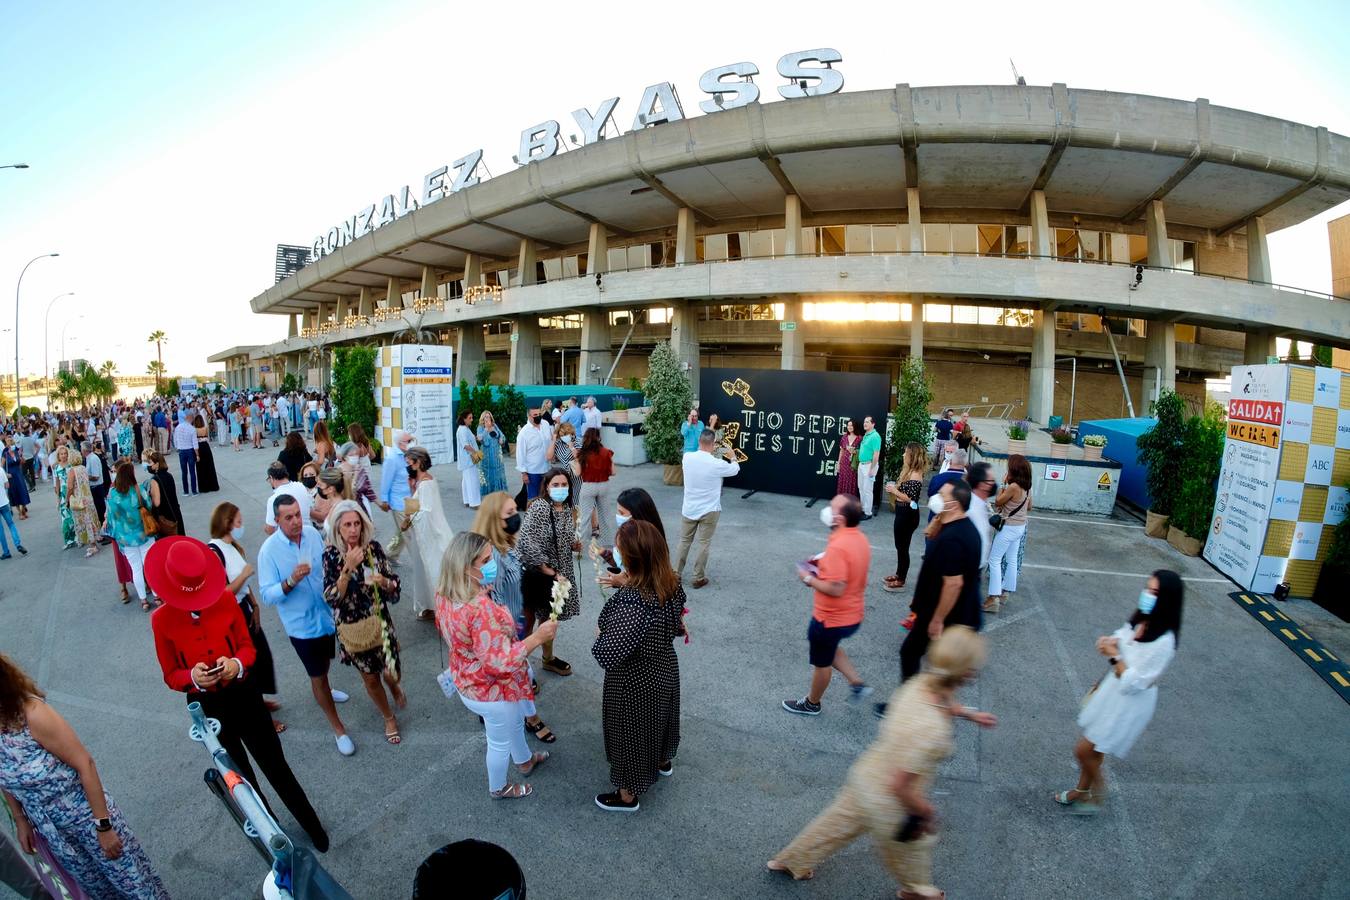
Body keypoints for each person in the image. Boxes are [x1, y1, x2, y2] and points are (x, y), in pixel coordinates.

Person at [769, 626, 997, 898]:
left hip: (868, 776)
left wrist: (970, 715)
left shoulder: (920, 684)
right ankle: (920, 892)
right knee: (914, 854)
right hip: (892, 803)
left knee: (832, 826)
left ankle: (790, 862)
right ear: (967, 674)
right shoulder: (932, 729)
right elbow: (900, 787)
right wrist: (926, 812)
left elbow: (944, 702)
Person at [147, 536, 330, 851]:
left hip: (244, 695)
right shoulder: (160, 620)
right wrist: (192, 676)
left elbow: (247, 648)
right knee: (242, 780)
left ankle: (313, 827)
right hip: (208, 708)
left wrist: (235, 664)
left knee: (276, 766)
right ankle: (277, 840)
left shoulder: (225, 600)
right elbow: (170, 675)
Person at [0, 654, 170, 899]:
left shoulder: (33, 714)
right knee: (99, 893)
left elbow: (85, 764)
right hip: (54, 833)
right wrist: (20, 819)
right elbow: (5, 775)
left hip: (87, 818)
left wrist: (104, 826)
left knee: (136, 889)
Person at [436, 532, 557, 799]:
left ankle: (524, 761)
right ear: (467, 567)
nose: (494, 564)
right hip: (491, 690)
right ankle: (499, 788)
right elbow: (499, 662)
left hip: (465, 677)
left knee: (514, 723)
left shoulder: (445, 593)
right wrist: (537, 637)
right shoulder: (479, 609)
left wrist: (482, 595)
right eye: (486, 560)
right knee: (499, 742)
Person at [1058, 571, 1182, 815]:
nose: (1147, 595)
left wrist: (1113, 656)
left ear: (1167, 599)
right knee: (1096, 748)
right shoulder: (1143, 618)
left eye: (1154, 592)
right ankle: (1082, 791)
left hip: (1129, 703)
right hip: (1113, 690)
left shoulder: (1164, 643)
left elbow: (1136, 682)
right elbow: (1123, 635)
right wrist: (1110, 640)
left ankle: (1100, 789)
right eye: (1147, 588)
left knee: (1083, 749)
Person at [591, 519, 687, 812]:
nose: (615, 552)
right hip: (664, 666)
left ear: (631, 558)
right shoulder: (670, 581)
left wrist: (602, 634)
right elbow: (678, 626)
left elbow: (606, 654)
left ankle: (627, 794)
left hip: (634, 680)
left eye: (619, 549)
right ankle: (661, 760)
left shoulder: (633, 603)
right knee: (661, 720)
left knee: (631, 734)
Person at [257, 494, 355, 756]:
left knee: (324, 665)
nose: (296, 521)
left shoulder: (312, 535)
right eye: (288, 517)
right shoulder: (269, 551)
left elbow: (328, 566)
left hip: (327, 617)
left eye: (298, 514)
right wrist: (290, 581)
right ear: (277, 520)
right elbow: (266, 595)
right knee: (317, 675)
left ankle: (327, 688)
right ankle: (339, 729)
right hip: (302, 627)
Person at [471, 492, 557, 743]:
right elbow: (483, 594)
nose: (515, 517)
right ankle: (530, 718)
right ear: (492, 519)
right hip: (500, 627)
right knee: (519, 671)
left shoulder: (508, 542)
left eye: (514, 511)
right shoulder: (488, 555)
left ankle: (494, 707)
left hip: (514, 620)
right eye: (508, 514)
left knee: (514, 671)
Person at [321, 500, 407, 745]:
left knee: (392, 671)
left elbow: (394, 587)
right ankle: (388, 716)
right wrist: (347, 568)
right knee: (370, 678)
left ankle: (393, 685)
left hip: (380, 623)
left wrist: (384, 582)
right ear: (338, 528)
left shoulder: (374, 549)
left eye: (357, 523)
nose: (353, 529)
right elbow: (331, 598)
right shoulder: (331, 556)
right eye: (347, 524)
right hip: (353, 629)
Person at [783, 495, 872, 716]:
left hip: (829, 619)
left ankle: (812, 703)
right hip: (852, 615)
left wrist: (807, 577)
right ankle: (856, 683)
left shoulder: (839, 547)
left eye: (832, 507)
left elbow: (836, 588)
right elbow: (847, 569)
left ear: (840, 519)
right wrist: (825, 563)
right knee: (830, 648)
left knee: (822, 662)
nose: (827, 510)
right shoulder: (858, 537)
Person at [894, 481, 983, 692]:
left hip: (941, 613)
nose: (935, 497)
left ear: (954, 504)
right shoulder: (959, 525)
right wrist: (940, 518)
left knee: (910, 653)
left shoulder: (953, 539)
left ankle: (909, 707)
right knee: (928, 661)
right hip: (942, 611)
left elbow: (953, 584)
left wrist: (937, 620)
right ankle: (921, 702)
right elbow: (929, 534)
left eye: (942, 495)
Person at [207, 502, 284, 732]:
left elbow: (242, 587)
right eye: (238, 521)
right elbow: (221, 592)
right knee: (247, 664)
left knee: (261, 657)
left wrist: (254, 604)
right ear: (226, 523)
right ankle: (259, 716)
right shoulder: (214, 551)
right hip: (231, 614)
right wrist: (244, 574)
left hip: (245, 608)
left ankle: (260, 701)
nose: (241, 525)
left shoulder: (233, 546)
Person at [517, 467, 582, 676]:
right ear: (546, 487)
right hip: (538, 574)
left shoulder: (566, 507)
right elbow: (526, 541)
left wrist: (573, 544)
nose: (561, 488)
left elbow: (563, 537)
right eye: (556, 485)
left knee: (549, 620)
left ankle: (548, 659)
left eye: (564, 485)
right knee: (527, 622)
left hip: (559, 574)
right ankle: (518, 668)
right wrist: (547, 570)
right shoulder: (540, 507)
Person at [674, 429, 739, 589]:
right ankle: (698, 577)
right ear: (714, 444)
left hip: (689, 508)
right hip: (710, 509)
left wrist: (710, 448)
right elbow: (735, 470)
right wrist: (732, 456)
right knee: (704, 543)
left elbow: (700, 455)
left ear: (698, 441)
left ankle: (675, 574)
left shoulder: (687, 458)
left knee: (684, 541)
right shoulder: (717, 464)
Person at [403, 446, 454, 621]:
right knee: (424, 571)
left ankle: (438, 608)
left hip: (430, 537)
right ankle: (429, 606)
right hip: (424, 536)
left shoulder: (425, 484)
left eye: (409, 463)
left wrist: (409, 520)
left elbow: (425, 512)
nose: (407, 466)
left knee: (431, 569)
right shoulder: (423, 481)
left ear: (418, 463)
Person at [102, 459, 155, 610]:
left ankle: (143, 601)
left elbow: (110, 517)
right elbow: (148, 505)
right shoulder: (136, 489)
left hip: (125, 539)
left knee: (136, 570)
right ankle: (157, 596)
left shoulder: (112, 494)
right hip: (143, 534)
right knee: (150, 566)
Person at [985, 454, 1032, 615]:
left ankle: (993, 598)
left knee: (994, 560)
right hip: (1020, 527)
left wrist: (1004, 484)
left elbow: (998, 501)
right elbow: (1029, 506)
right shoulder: (1027, 486)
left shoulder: (1013, 487)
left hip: (1009, 527)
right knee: (1011, 558)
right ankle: (1006, 591)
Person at [883, 442, 927, 593]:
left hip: (908, 514)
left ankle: (901, 579)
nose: (903, 455)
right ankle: (898, 574)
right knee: (900, 546)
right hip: (903, 512)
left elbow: (911, 498)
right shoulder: (909, 471)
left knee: (903, 547)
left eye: (905, 453)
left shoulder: (916, 474)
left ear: (911, 456)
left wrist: (894, 490)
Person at [377, 430, 414, 562]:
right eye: (408, 441)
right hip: (399, 503)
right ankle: (419, 562)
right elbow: (386, 480)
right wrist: (384, 500)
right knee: (410, 534)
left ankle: (390, 555)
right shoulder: (392, 458)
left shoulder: (407, 455)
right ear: (400, 443)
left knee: (401, 531)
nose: (410, 443)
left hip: (410, 500)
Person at [578, 427, 615, 543]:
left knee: (584, 517)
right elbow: (613, 472)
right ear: (599, 438)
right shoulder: (607, 452)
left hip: (588, 486)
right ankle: (608, 544)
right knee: (605, 516)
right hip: (604, 485)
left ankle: (578, 546)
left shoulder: (582, 453)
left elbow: (578, 473)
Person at [62, 449, 99, 557]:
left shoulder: (72, 471)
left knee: (84, 521)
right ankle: (94, 540)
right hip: (88, 497)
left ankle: (92, 545)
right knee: (91, 519)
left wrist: (67, 499)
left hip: (79, 500)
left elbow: (69, 487)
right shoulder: (83, 468)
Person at [141, 450, 184, 537]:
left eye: (150, 463)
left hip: (165, 517)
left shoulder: (154, 480)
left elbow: (157, 503)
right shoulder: (169, 475)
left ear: (157, 464)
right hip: (175, 512)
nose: (149, 466)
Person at [262, 460, 312, 536]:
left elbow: (270, 529)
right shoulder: (301, 486)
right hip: (309, 532)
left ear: (271, 478)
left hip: (292, 537)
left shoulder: (273, 499)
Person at [965, 461, 995, 576]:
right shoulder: (970, 509)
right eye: (991, 481)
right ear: (981, 484)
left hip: (976, 568)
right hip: (968, 568)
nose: (993, 484)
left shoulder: (981, 504)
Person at [515, 408, 551, 501]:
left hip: (547, 468)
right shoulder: (524, 433)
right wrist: (524, 473)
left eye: (539, 414)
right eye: (535, 415)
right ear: (529, 416)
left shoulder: (545, 424)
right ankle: (531, 515)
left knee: (546, 496)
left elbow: (549, 442)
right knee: (533, 499)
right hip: (533, 471)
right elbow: (520, 454)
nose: (538, 416)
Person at [477, 411, 509, 495]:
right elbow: (479, 439)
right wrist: (486, 430)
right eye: (486, 417)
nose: (488, 418)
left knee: (497, 471)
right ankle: (488, 489)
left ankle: (497, 489)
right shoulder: (480, 427)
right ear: (483, 419)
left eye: (489, 417)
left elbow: (502, 435)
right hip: (486, 453)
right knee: (487, 471)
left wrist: (501, 439)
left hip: (496, 452)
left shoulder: (494, 426)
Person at [857, 415, 882, 520]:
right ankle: (863, 510)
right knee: (861, 488)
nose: (865, 423)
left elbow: (876, 454)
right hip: (861, 465)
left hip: (869, 466)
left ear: (873, 424)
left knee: (867, 490)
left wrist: (872, 469)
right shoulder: (866, 435)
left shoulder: (875, 436)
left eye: (867, 422)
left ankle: (868, 512)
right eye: (864, 422)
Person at [456, 410, 482, 509]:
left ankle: (467, 500)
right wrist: (475, 452)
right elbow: (465, 445)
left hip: (467, 459)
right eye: (470, 418)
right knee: (472, 480)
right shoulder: (463, 430)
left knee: (466, 480)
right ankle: (474, 503)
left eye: (472, 417)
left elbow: (469, 440)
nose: (472, 419)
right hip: (469, 458)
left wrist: (475, 438)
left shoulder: (465, 428)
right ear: (464, 419)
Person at [0, 467, 27, 561]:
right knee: (11, 524)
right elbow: (7, 485)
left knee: (1, 530)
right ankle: (18, 544)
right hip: (4, 502)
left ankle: (6, 552)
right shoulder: (1, 470)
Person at [548, 421, 580, 498]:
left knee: (578, 500)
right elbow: (549, 457)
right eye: (562, 434)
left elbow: (579, 457)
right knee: (568, 501)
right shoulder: (559, 443)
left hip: (577, 476)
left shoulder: (577, 441)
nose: (565, 436)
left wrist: (571, 447)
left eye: (567, 434)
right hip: (565, 477)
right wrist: (553, 441)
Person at [171, 412, 198, 495]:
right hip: (190, 450)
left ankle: (186, 491)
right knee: (192, 471)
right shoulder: (192, 429)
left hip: (181, 450)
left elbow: (175, 439)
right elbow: (195, 443)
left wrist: (177, 447)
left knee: (184, 472)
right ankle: (194, 491)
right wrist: (197, 454)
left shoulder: (178, 427)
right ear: (191, 419)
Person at [2, 438, 29, 520]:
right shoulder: (5, 453)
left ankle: (23, 510)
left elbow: (22, 462)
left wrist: (21, 457)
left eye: (11, 440)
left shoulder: (17, 451)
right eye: (8, 441)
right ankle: (20, 512)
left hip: (19, 474)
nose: (10, 442)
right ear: (6, 443)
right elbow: (1, 466)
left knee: (23, 492)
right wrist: (5, 474)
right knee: (15, 493)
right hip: (11, 475)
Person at [193, 414, 220, 493]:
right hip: (206, 446)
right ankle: (213, 485)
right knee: (210, 466)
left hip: (199, 447)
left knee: (201, 467)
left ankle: (204, 487)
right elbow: (207, 438)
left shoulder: (195, 430)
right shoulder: (205, 428)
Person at [835, 418, 861, 500]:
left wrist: (855, 451)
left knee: (851, 482)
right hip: (844, 463)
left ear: (855, 426)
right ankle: (841, 501)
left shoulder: (860, 438)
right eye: (848, 425)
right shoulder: (844, 437)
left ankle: (850, 502)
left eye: (851, 425)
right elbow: (841, 451)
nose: (849, 427)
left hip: (853, 464)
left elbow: (862, 452)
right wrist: (838, 463)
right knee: (843, 481)